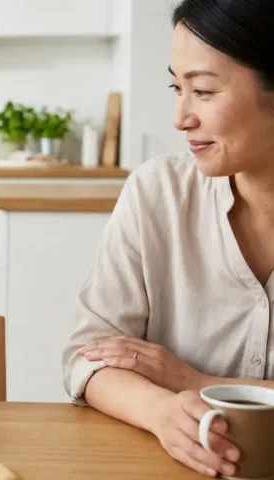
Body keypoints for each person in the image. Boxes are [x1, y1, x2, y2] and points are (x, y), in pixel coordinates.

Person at [61, 0, 274, 477]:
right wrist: (158, 411)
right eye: (178, 87)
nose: (181, 117)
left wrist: (193, 380)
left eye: (203, 90)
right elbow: (88, 358)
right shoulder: (157, 193)